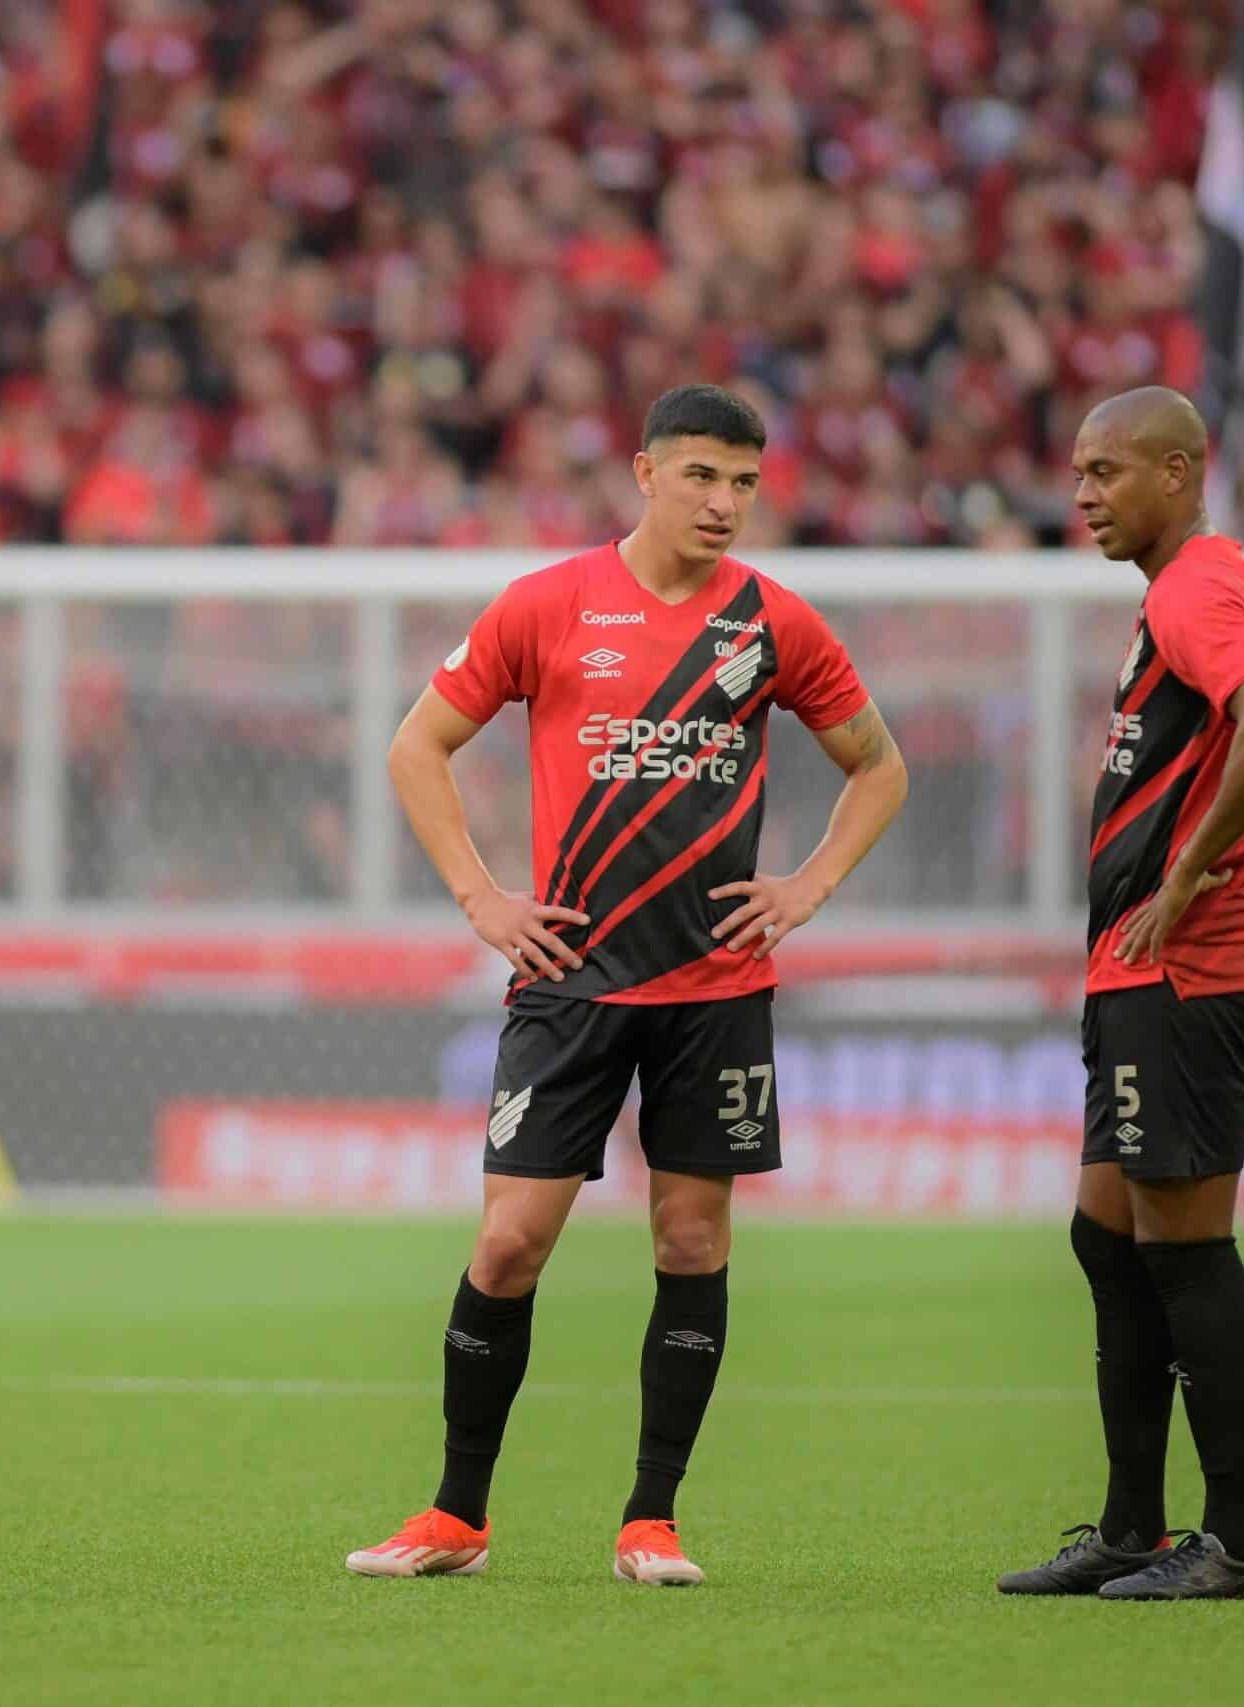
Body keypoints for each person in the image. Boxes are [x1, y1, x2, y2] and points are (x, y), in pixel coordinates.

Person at [348, 385, 909, 1586]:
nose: (724, 504)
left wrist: (804, 887)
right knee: (506, 1246)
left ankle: (650, 1520)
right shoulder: (549, 604)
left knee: (692, 1236)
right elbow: (416, 745)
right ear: (645, 474)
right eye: (703, 477)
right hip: (569, 978)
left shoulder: (773, 624)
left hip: (714, 990)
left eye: (745, 485)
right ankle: (456, 1516)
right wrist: (482, 900)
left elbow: (878, 767)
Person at [997, 386, 1244, 1602]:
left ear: (1181, 473)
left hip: (1189, 965)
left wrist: (1182, 883)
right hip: (1142, 969)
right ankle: (1132, 1529)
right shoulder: (1173, 592)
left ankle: (1236, 1544)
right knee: (1107, 1235)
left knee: (1184, 1252)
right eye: (1077, 470)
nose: (1082, 493)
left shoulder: (1195, 588)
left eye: (1109, 470)